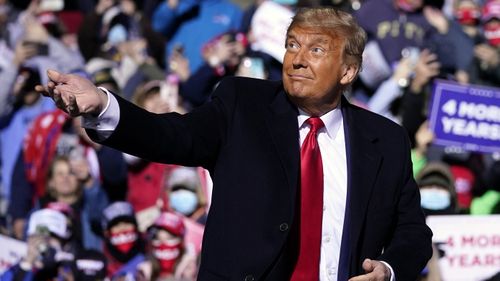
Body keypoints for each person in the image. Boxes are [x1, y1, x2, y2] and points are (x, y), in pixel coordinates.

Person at [38, 7, 432, 281]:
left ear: (348, 70)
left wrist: (389, 270)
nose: (296, 59)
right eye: (292, 45)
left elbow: (413, 233)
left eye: (316, 50)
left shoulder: (385, 140)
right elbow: (172, 136)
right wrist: (104, 105)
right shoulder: (242, 105)